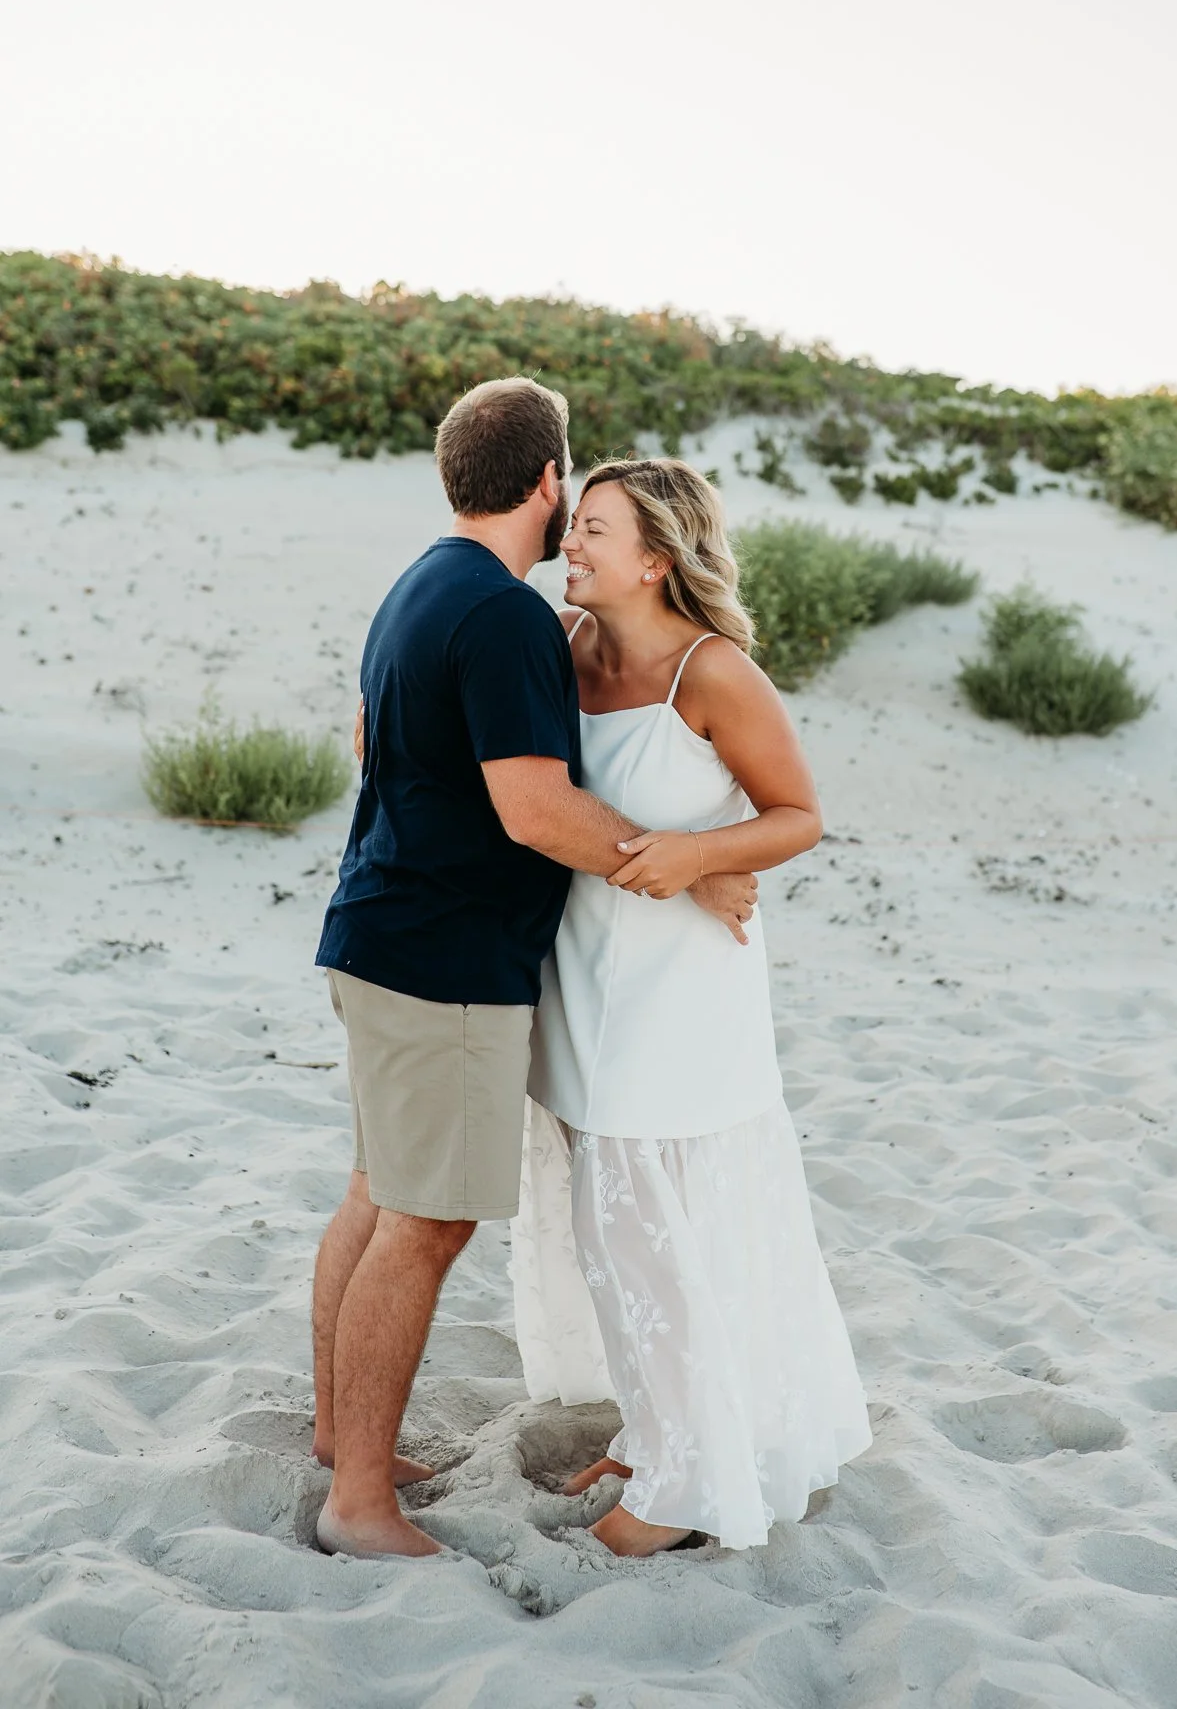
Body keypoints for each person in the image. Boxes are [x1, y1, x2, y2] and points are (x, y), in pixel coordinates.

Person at [311, 381, 755, 1560]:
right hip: (445, 963)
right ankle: (359, 1499)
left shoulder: (424, 580)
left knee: (377, 1193)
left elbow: (368, 736)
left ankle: (340, 1439)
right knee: (426, 1220)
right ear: (549, 478)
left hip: (379, 934)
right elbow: (534, 808)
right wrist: (688, 867)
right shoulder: (505, 613)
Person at [511, 456, 871, 1556]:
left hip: (680, 990)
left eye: (595, 530)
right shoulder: (565, 644)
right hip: (581, 965)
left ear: (656, 560)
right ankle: (665, 1430)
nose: (570, 544)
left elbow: (798, 814)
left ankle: (680, 1489)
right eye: (575, 524)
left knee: (645, 1224)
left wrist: (702, 858)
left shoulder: (713, 673)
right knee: (606, 1218)